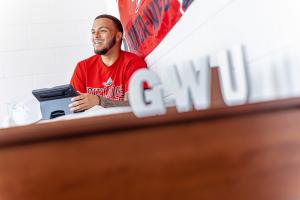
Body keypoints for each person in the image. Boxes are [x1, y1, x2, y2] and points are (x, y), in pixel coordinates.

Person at [69, 14, 147, 112]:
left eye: (102, 31)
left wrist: (100, 101)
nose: (96, 36)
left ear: (118, 36)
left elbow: (135, 105)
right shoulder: (82, 67)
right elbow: (74, 107)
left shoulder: (133, 63)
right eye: (93, 32)